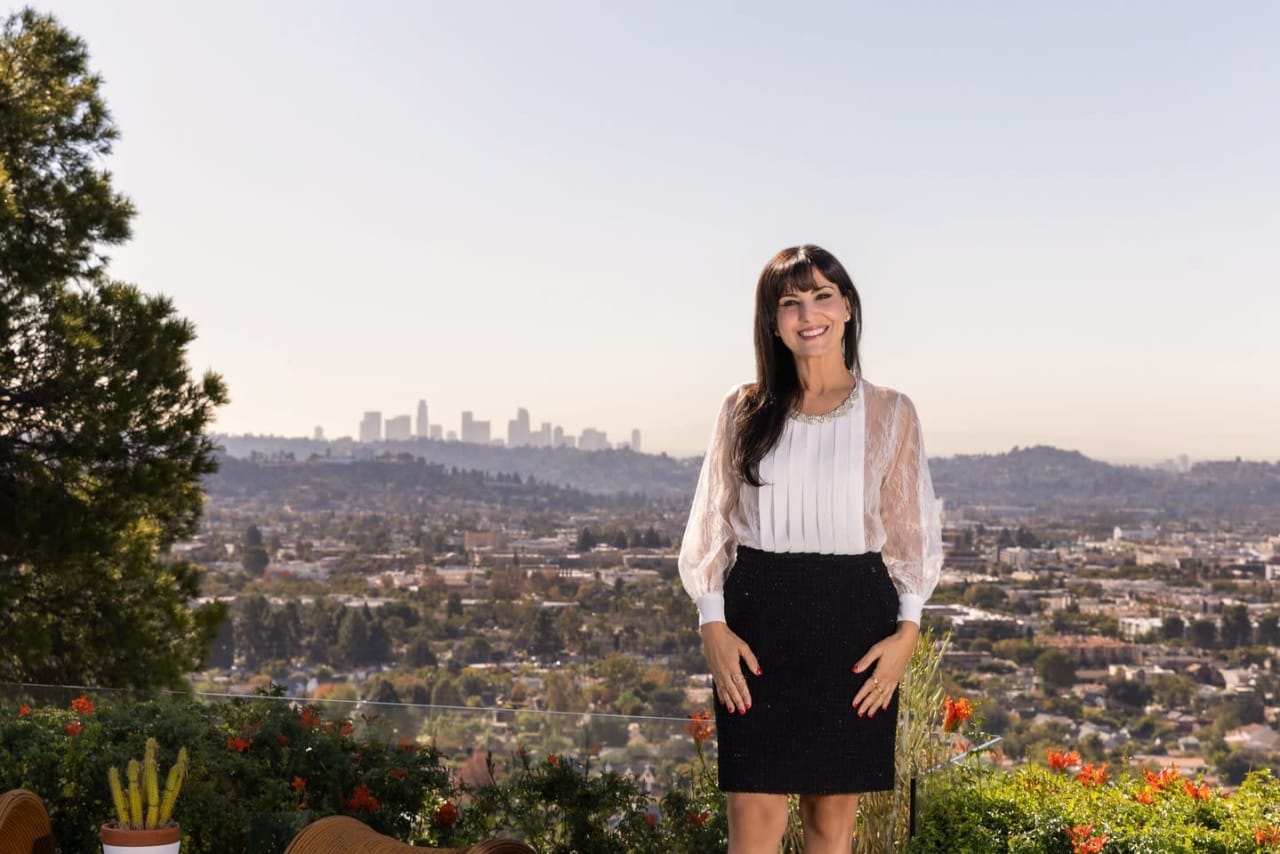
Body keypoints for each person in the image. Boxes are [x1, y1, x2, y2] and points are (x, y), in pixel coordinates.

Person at [678, 245, 943, 853]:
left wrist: (907, 634)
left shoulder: (892, 413)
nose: (808, 314)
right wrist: (711, 624)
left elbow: (909, 538)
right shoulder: (742, 409)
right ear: (772, 322)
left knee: (832, 821)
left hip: (855, 623)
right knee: (753, 817)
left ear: (847, 307)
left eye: (823, 296)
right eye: (790, 303)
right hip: (756, 623)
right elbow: (711, 523)